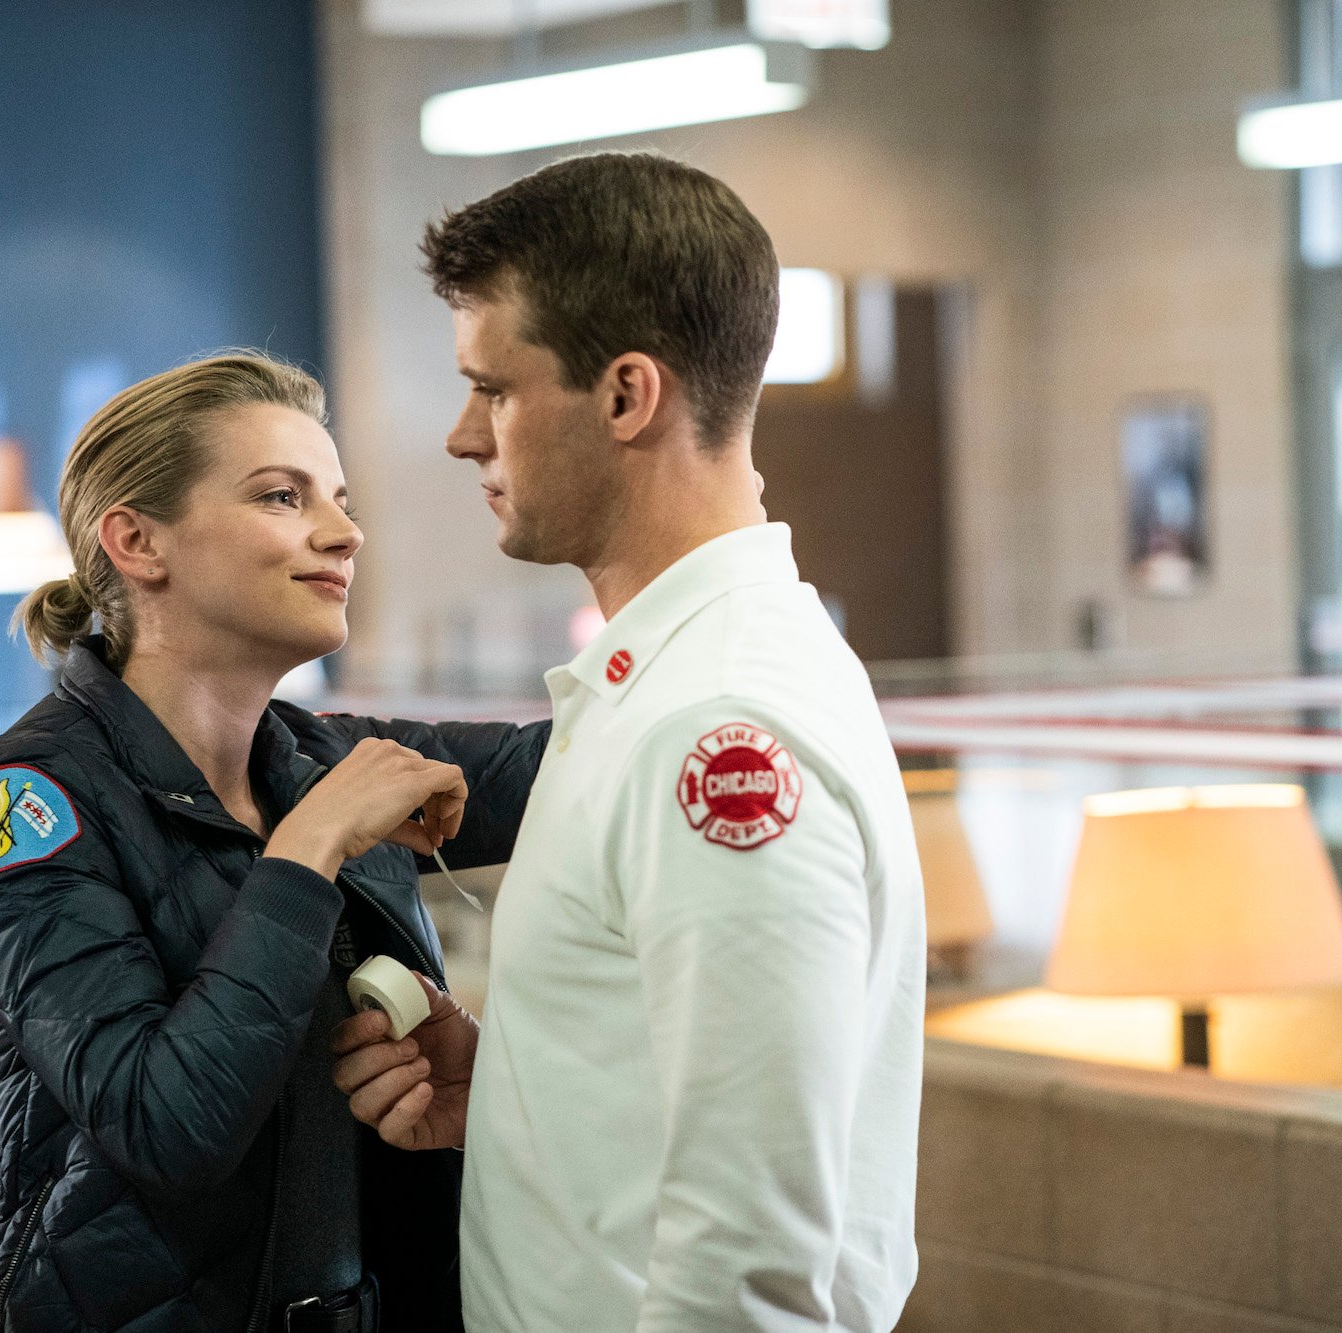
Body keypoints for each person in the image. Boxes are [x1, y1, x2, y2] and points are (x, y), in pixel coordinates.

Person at [335, 153, 926, 1330]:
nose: (462, 436)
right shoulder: (669, 682)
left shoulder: (714, 728)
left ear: (625, 396)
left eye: (491, 388)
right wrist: (517, 1088)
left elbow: (750, 1262)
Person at [0, 353, 544, 1333]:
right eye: (281, 495)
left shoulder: (330, 760)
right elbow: (163, 1126)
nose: (344, 532)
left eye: (338, 499)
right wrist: (305, 849)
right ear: (136, 541)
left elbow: (603, 757)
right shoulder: (25, 797)